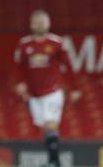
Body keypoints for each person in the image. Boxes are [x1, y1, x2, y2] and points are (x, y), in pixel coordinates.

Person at [14, 10, 81, 167]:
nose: (39, 24)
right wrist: (20, 82)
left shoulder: (57, 43)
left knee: (51, 124)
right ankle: (53, 159)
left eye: (42, 21)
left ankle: (54, 162)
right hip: (33, 94)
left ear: (49, 23)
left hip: (52, 91)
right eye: (36, 21)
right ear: (31, 24)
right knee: (45, 127)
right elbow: (18, 66)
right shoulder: (24, 45)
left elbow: (69, 66)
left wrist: (75, 88)